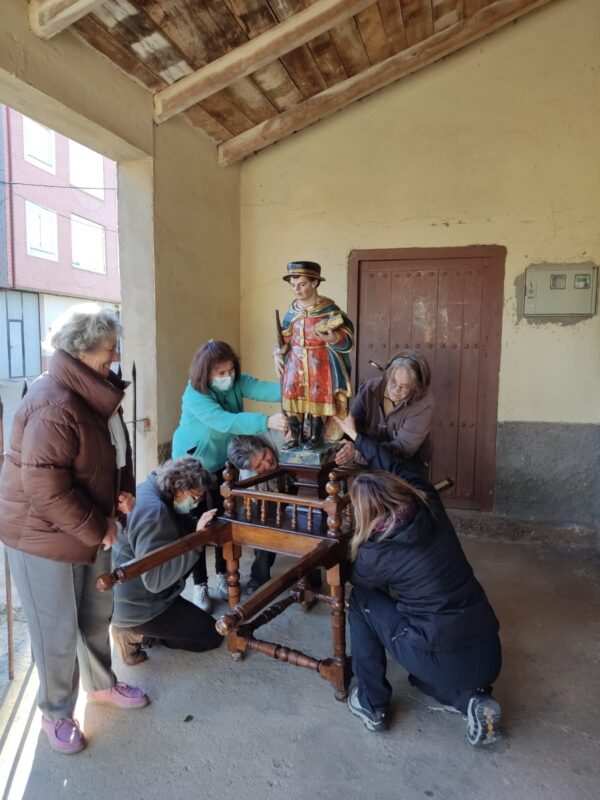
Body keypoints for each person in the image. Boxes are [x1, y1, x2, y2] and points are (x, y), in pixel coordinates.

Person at [0, 304, 148, 756]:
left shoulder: (96, 392)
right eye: (108, 348)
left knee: (95, 614)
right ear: (81, 351)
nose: (115, 356)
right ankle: (56, 712)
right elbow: (44, 487)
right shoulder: (53, 402)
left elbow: (115, 452)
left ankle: (100, 684)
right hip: (42, 536)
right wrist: (98, 528)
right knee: (56, 631)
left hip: (90, 526)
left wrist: (123, 492)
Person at [345, 467, 502, 747]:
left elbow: (356, 578)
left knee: (360, 600)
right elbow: (400, 466)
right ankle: (473, 701)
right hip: (489, 652)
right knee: (421, 678)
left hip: (438, 657)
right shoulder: (429, 502)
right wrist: (361, 446)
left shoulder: (377, 554)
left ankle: (372, 704)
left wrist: (350, 533)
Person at [172, 340, 287, 612]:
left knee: (223, 518)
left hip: (220, 461)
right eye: (221, 373)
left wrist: (293, 381)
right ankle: (200, 584)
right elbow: (226, 421)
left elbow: (266, 389)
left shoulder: (236, 382)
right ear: (206, 373)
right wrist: (266, 421)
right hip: (191, 463)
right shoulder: (194, 395)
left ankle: (223, 574)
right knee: (197, 524)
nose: (228, 377)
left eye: (231, 370)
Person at [111, 458, 223, 664]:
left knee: (200, 626)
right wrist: (197, 541)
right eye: (195, 497)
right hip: (138, 606)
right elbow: (155, 581)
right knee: (212, 636)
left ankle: (140, 629)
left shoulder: (150, 489)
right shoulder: (154, 512)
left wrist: (195, 527)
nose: (196, 503)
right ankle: (134, 634)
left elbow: (174, 524)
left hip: (134, 595)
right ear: (179, 489)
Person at [274, 261, 353, 449]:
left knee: (318, 396)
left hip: (319, 361)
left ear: (315, 283)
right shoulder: (292, 312)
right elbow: (284, 338)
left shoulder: (329, 310)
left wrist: (333, 338)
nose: (296, 290)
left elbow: (347, 339)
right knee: (292, 394)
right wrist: (277, 352)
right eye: (293, 285)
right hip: (295, 361)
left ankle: (316, 436)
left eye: (302, 284)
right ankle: (295, 436)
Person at [336, 351, 433, 471]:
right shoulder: (369, 389)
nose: (396, 390)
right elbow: (352, 425)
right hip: (366, 461)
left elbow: (402, 449)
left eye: (404, 386)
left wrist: (358, 453)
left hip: (403, 467)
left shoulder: (423, 404)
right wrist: (349, 444)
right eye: (393, 382)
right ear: (387, 375)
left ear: (415, 387)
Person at [226, 435, 281, 594]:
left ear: (263, 445)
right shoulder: (249, 475)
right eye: (258, 466)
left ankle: (311, 574)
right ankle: (259, 575)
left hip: (299, 478)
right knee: (261, 526)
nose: (267, 464)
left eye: (264, 456)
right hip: (268, 493)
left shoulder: (279, 437)